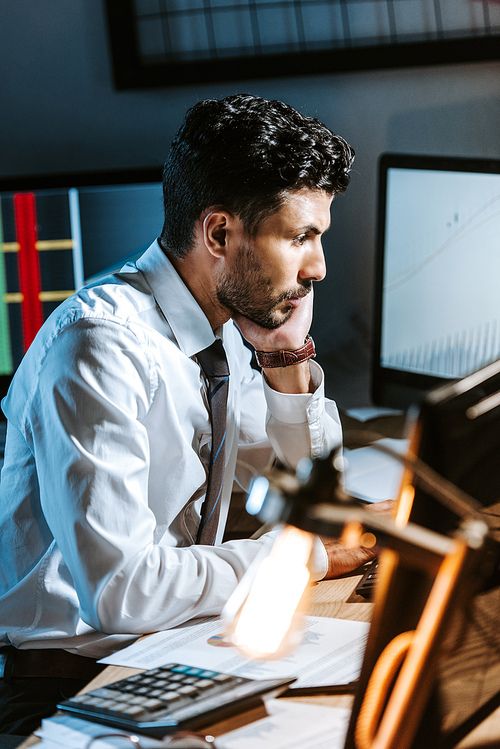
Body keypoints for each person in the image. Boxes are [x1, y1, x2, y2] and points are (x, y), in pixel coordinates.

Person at [0, 94, 386, 735]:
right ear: (218, 234)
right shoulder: (97, 345)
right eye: (300, 238)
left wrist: (288, 358)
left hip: (176, 645)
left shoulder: (229, 326)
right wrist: (303, 558)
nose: (318, 267)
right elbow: (123, 590)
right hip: (73, 676)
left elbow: (315, 498)